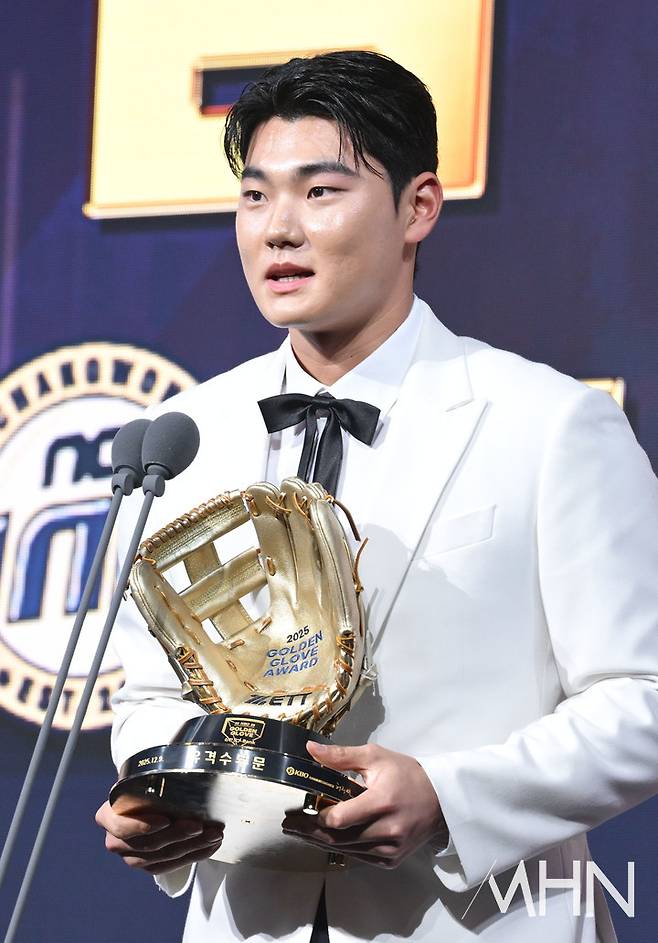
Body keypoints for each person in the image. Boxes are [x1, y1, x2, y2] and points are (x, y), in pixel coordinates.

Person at [95, 50, 658, 943]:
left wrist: (447, 797)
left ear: (418, 207)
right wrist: (160, 788)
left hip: (479, 918)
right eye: (255, 196)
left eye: (320, 191)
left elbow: (644, 694)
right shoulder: (185, 436)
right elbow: (152, 694)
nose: (279, 229)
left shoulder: (549, 424)